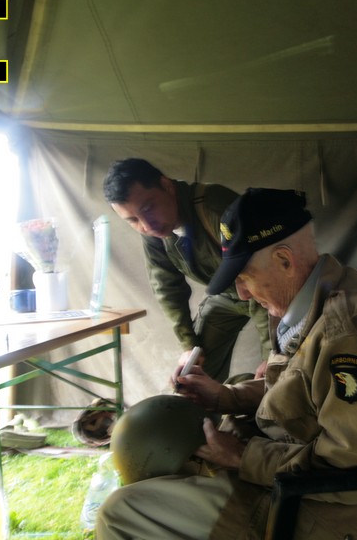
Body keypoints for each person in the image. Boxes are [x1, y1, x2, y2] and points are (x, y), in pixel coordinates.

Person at [95, 188, 357, 540]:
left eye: (245, 276)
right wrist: (225, 396)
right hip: (296, 484)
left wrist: (244, 457)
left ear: (284, 260)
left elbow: (355, 469)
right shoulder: (319, 298)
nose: (241, 294)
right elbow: (304, 387)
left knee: (120, 517)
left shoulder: (348, 334)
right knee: (172, 467)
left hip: (329, 518)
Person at [103, 158, 270, 382]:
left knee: (275, 374)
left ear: (167, 186)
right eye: (133, 220)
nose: (147, 225)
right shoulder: (154, 231)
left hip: (268, 291)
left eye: (149, 208)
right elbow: (167, 287)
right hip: (227, 296)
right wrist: (189, 346)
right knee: (195, 372)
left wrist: (272, 353)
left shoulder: (216, 208)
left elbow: (262, 277)